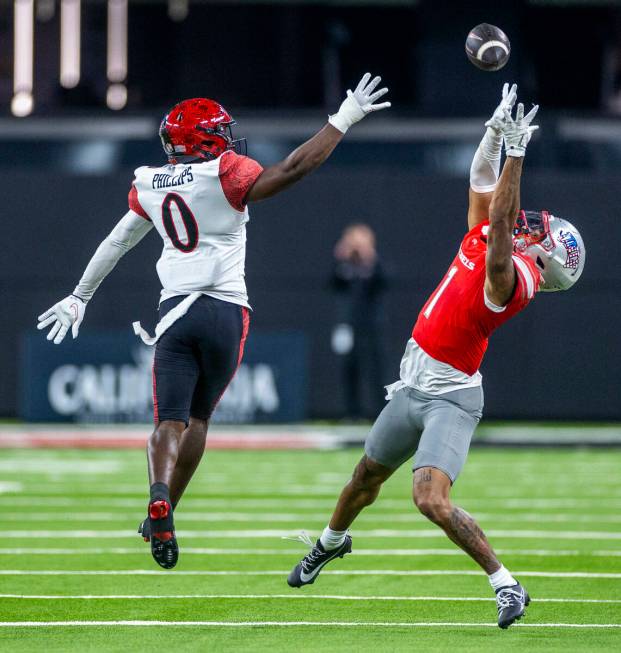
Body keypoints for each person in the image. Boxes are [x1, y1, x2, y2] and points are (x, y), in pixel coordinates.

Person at [37, 73, 391, 570]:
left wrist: (79, 296)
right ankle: (169, 506)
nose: (228, 140)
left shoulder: (149, 183)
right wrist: (342, 119)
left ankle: (159, 497)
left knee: (168, 421)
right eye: (220, 133)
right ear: (207, 141)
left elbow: (117, 242)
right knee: (199, 419)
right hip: (225, 310)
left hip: (175, 311)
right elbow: (292, 168)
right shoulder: (226, 172)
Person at [287, 84, 586, 629]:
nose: (534, 227)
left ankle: (506, 583)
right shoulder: (492, 241)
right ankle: (331, 543)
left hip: (449, 397)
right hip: (412, 386)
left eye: (543, 234)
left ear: (548, 258)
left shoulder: (515, 280)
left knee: (429, 499)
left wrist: (516, 154)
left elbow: (499, 223)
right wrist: (494, 134)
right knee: (363, 478)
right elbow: (479, 185)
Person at [330, 223, 388, 419]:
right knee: (349, 368)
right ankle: (351, 412)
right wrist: (342, 258)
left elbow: (383, 281)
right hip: (348, 325)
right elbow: (334, 283)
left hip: (371, 325)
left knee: (376, 367)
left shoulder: (373, 266)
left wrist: (368, 258)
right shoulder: (344, 267)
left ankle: (380, 410)